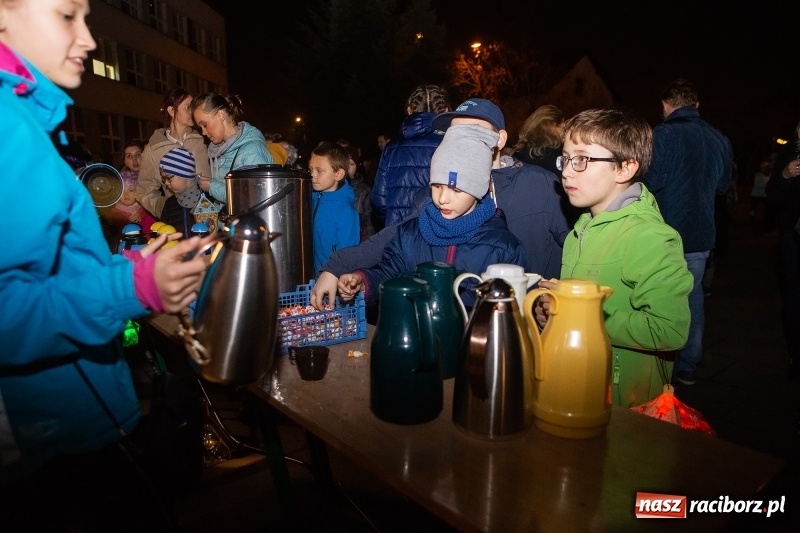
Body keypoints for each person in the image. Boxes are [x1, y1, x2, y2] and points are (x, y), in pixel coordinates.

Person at [0, 1, 209, 530]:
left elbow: (46, 266)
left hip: (67, 420)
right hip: (45, 439)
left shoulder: (33, 120)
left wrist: (132, 265)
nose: (89, 39)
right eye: (68, 16)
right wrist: (133, 284)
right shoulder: (8, 129)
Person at [311, 98, 571, 309]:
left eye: (475, 130)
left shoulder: (538, 183)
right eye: (455, 131)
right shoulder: (431, 195)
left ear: (501, 140)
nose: (462, 138)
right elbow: (392, 240)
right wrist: (336, 268)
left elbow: (574, 245)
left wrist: (564, 297)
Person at [534, 108, 693, 408]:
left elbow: (670, 329)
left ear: (624, 168)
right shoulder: (578, 232)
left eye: (582, 159)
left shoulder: (649, 237)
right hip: (577, 385)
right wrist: (551, 314)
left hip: (625, 403)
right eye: (565, 158)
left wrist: (577, 314)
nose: (566, 171)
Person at [337, 122, 528, 307]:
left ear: (479, 188)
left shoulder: (502, 246)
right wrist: (364, 282)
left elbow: (517, 307)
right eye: (437, 186)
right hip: (417, 335)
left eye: (456, 190)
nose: (443, 198)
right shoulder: (410, 234)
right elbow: (389, 271)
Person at [644, 79, 733, 386]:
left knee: (658, 296)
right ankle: (688, 364)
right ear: (696, 105)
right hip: (702, 234)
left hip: (667, 232)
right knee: (692, 294)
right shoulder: (719, 138)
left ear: (666, 105)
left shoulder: (664, 134)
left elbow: (651, 180)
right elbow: (723, 187)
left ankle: (660, 362)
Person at [371, 84, 450, 227]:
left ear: (409, 111)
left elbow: (379, 201)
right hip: (439, 231)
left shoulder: (391, 149)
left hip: (398, 233)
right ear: (445, 111)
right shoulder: (453, 144)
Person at [136, 87, 211, 220]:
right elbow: (144, 191)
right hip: (178, 219)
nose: (192, 111)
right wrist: (164, 208)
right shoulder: (154, 148)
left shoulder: (203, 140)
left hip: (207, 215)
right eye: (187, 107)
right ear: (171, 110)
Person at [191, 92, 273, 204]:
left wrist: (212, 186)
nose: (203, 132)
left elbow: (253, 199)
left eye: (204, 124)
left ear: (221, 115)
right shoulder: (222, 149)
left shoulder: (252, 151)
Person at [766, 120, 800, 379]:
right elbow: (773, 194)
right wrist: (785, 175)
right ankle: (795, 355)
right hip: (794, 236)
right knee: (794, 299)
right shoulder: (791, 152)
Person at [309, 141, 360, 276]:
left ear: (338, 174)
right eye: (311, 169)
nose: (313, 175)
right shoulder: (312, 199)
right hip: (314, 278)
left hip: (333, 280)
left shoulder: (346, 212)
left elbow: (348, 257)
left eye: (319, 171)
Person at [158, 147, 206, 238]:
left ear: (185, 174)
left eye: (169, 177)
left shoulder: (207, 198)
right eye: (164, 179)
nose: (166, 183)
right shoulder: (170, 204)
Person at [512, 104, 565, 176]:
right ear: (553, 125)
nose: (564, 131)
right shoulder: (555, 157)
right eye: (562, 126)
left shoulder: (519, 152)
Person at [342, 142, 375, 241]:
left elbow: (368, 220)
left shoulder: (364, 190)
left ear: (357, 166)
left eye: (351, 164)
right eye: (344, 164)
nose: (347, 168)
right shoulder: (332, 187)